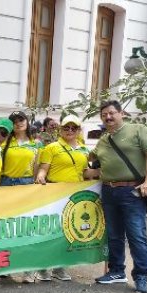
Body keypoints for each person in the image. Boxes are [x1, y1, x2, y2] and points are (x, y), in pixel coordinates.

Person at [91, 100, 147, 293]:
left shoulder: (138, 130)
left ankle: (141, 277)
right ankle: (117, 271)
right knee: (114, 235)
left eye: (112, 113)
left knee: (136, 235)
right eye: (104, 115)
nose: (108, 117)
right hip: (109, 191)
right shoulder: (104, 139)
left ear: (122, 113)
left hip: (132, 191)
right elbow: (95, 160)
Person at [35, 114, 99, 282]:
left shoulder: (84, 149)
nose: (70, 131)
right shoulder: (52, 147)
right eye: (66, 128)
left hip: (74, 196)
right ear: (60, 130)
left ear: (79, 130)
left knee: (66, 232)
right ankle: (42, 268)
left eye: (74, 128)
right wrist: (41, 176)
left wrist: (102, 173)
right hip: (54, 193)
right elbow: (43, 168)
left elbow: (85, 172)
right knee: (49, 232)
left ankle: (60, 268)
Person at [0, 110, 42, 283]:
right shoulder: (4, 143)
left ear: (27, 120)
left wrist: (36, 184)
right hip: (5, 184)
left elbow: (37, 167)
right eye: (15, 121)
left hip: (26, 184)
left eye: (21, 119)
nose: (19, 123)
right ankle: (5, 265)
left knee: (26, 227)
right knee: (5, 227)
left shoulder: (36, 144)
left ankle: (28, 269)